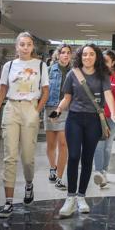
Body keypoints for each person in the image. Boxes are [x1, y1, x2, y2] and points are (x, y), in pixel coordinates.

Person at [51, 43, 115, 218]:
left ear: (96, 56)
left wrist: (113, 113)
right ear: (80, 57)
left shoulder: (102, 75)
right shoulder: (72, 74)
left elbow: (107, 95)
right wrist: (58, 110)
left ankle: (81, 196)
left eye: (91, 54)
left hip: (93, 121)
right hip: (74, 119)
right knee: (74, 156)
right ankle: (70, 198)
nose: (87, 57)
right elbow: (67, 97)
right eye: (84, 55)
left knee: (87, 159)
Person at [0, 32, 49, 218]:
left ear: (33, 47)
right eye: (22, 44)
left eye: (29, 44)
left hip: (30, 109)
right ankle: (8, 202)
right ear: (16, 47)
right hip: (11, 109)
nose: (25, 47)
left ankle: (29, 184)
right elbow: (1, 91)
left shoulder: (40, 65)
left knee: (28, 158)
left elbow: (45, 92)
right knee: (10, 157)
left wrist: (36, 111)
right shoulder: (8, 66)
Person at [93, 50, 115, 188]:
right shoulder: (95, 76)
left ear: (113, 62)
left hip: (112, 118)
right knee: (99, 145)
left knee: (107, 147)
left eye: (106, 61)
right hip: (96, 116)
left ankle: (104, 171)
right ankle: (99, 172)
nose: (103, 63)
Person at [44, 44, 71, 191]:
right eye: (63, 53)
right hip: (50, 108)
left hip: (66, 110)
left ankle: (60, 178)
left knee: (63, 144)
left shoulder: (73, 72)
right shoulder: (49, 70)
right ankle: (52, 168)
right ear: (58, 55)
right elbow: (43, 90)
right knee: (51, 145)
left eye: (68, 53)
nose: (66, 55)